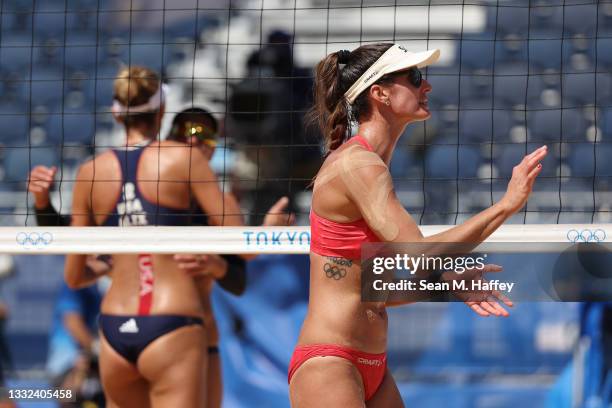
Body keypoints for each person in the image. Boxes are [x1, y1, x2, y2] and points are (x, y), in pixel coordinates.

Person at [288, 43, 548, 407]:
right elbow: (418, 254)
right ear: (379, 93)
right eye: (414, 78)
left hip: (371, 364)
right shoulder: (358, 165)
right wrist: (506, 206)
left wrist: (442, 286)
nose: (426, 86)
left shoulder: (367, 165)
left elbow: (372, 287)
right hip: (331, 361)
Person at [60, 66, 286, 408]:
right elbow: (243, 249)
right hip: (172, 322)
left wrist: (113, 265)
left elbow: (75, 276)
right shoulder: (186, 161)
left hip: (114, 326)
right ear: (162, 111)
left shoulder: (88, 172)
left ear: (116, 112)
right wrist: (269, 232)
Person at [46, 281, 106, 407]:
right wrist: (96, 349)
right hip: (67, 368)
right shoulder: (73, 287)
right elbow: (72, 321)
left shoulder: (103, 290)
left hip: (98, 369)